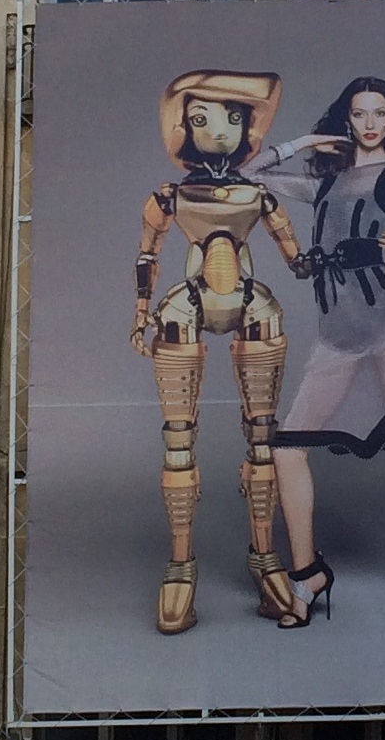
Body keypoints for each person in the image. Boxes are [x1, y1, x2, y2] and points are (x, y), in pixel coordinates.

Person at [242, 77, 385, 629]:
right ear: (347, 121)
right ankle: (308, 573)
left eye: (379, 113)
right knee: (287, 448)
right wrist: (304, 144)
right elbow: (249, 174)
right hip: (336, 334)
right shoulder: (326, 183)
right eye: (359, 114)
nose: (369, 123)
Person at [130, 71, 311, 636]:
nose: (219, 129)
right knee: (178, 442)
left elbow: (293, 253)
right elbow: (148, 255)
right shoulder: (171, 196)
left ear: (247, 128)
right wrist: (141, 310)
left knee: (264, 437)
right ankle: (181, 565)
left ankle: (265, 559)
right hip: (186, 302)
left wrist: (326, 261)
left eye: (232, 117)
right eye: (203, 117)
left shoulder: (258, 194)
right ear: (183, 126)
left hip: (253, 303)